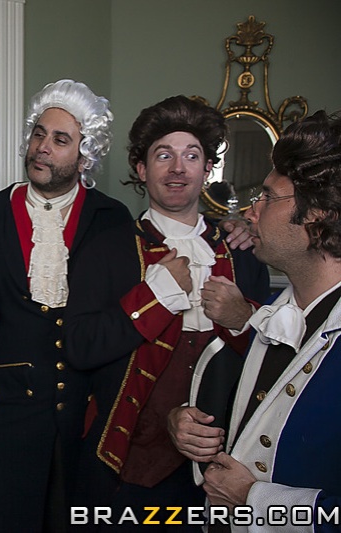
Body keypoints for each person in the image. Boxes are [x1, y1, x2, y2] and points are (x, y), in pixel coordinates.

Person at [64, 95, 270, 531]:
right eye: (163, 155)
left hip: (224, 469)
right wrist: (153, 297)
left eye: (191, 156)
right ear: (141, 169)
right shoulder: (106, 249)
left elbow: (275, 361)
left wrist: (244, 318)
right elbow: (80, 348)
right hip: (128, 467)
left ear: (207, 169)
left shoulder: (243, 251)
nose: (178, 168)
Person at [0, 79, 132, 532]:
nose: (42, 147)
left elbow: (123, 314)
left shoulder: (112, 220)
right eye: (38, 134)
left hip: (86, 412)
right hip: (6, 412)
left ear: (84, 156)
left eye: (60, 139)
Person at [169, 110, 341, 532]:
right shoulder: (271, 313)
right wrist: (184, 424)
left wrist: (254, 499)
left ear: (317, 213)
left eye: (267, 197)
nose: (250, 211)